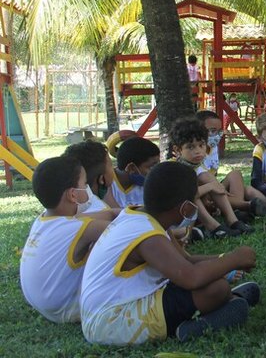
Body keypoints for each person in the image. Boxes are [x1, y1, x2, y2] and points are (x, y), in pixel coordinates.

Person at [79, 161, 260, 345]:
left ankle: (226, 301)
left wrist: (224, 260)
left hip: (115, 307)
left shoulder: (144, 217)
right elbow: (191, 277)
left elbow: (186, 259)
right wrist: (234, 260)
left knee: (214, 283)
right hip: (111, 322)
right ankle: (195, 325)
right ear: (185, 207)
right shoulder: (147, 235)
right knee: (218, 289)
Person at [20, 157, 115, 323]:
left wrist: (123, 212)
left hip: (45, 306)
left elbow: (109, 214)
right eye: (84, 184)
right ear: (73, 194)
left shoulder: (44, 220)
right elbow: (126, 231)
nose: (88, 189)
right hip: (66, 309)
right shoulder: (75, 229)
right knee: (119, 246)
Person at [168, 117, 253, 238]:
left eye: (201, 145)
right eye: (191, 147)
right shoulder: (173, 168)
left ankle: (232, 220)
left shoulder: (197, 165)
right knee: (195, 191)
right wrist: (210, 187)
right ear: (177, 149)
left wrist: (211, 190)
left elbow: (209, 184)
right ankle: (214, 227)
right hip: (177, 214)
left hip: (197, 210)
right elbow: (186, 196)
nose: (198, 151)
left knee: (206, 177)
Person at [196, 110, 266, 221]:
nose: (216, 135)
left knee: (235, 174)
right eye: (211, 130)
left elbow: (214, 175)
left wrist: (218, 188)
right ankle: (246, 206)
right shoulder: (194, 153)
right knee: (237, 191)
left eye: (218, 131)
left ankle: (237, 209)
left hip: (214, 189)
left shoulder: (213, 148)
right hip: (202, 193)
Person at [62, 140, 114, 212]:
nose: (114, 169)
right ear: (101, 179)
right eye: (111, 165)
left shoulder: (58, 207)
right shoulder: (102, 211)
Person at [110, 136, 161, 208]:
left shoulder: (150, 187)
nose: (157, 171)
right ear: (131, 168)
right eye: (151, 167)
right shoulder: (105, 185)